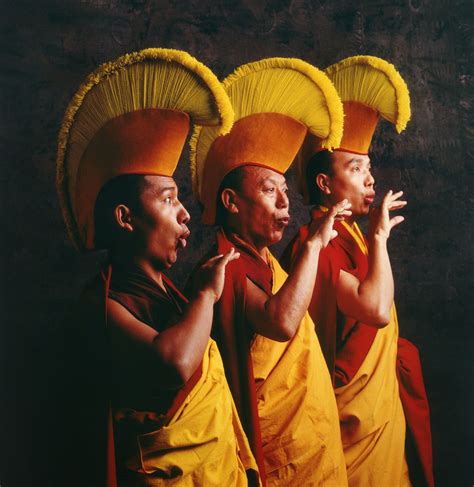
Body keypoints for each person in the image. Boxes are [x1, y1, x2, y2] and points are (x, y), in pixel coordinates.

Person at [56, 48, 258, 486]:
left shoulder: (172, 293)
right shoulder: (103, 304)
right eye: (167, 200)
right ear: (125, 218)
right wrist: (206, 294)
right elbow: (174, 363)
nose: (184, 213)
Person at [189, 57, 349, 486]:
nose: (284, 204)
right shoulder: (228, 268)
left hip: (313, 443)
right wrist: (314, 243)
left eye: (284, 190)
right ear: (230, 202)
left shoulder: (269, 263)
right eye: (267, 190)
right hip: (282, 458)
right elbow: (280, 321)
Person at [283, 55, 434, 487]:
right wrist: (381, 238)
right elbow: (376, 310)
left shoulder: (349, 236)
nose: (370, 181)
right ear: (325, 185)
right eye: (355, 169)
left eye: (368, 169)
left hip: (379, 417)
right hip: (352, 421)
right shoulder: (321, 245)